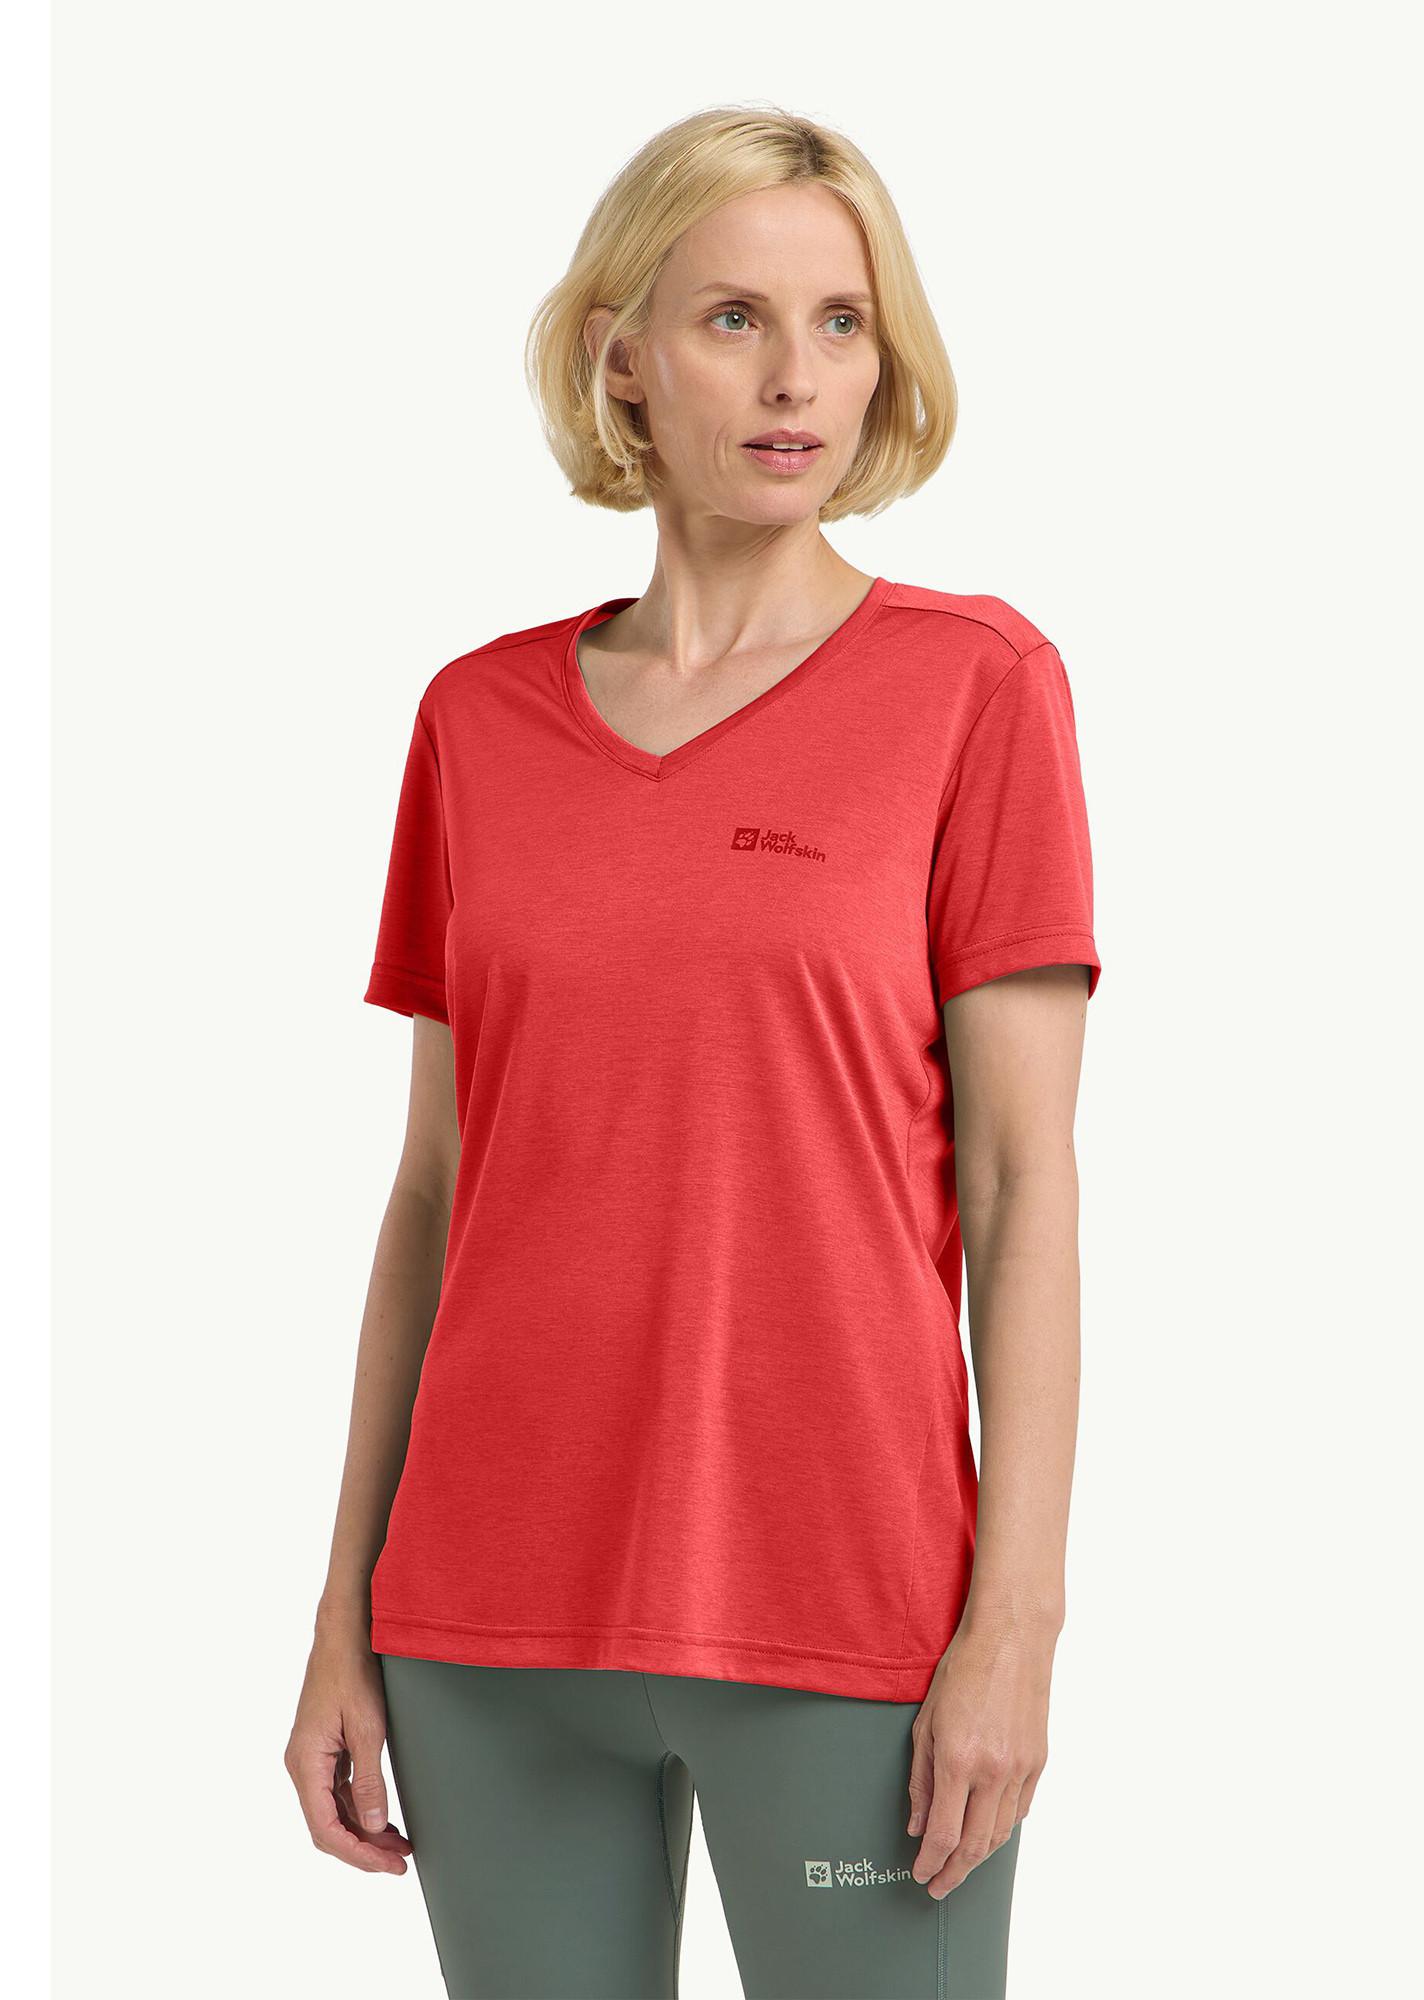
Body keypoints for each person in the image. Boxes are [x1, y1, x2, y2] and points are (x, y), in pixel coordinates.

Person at [285, 103, 1102, 2000]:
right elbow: (436, 1195)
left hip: (846, 1608)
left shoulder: (976, 689)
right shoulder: (474, 722)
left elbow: (1020, 1188)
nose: (797, 375)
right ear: (623, 356)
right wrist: (343, 1610)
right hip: (483, 1622)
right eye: (735, 317)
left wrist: (1017, 1629)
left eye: (842, 321)